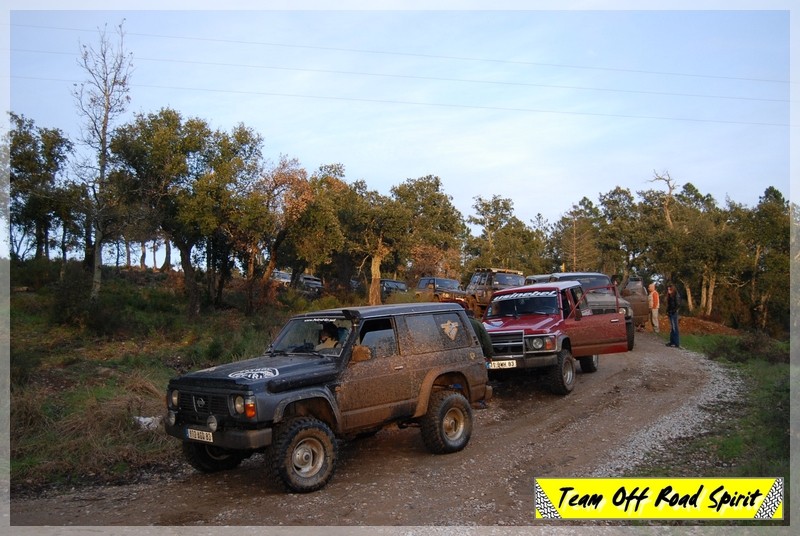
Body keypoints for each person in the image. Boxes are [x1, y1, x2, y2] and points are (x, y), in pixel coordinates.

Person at [666, 283, 680, 348]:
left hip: (674, 313)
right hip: (671, 313)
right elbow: (669, 305)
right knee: (672, 328)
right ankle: (672, 342)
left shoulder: (676, 296)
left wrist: (673, 311)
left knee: (675, 328)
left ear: (672, 290)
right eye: (668, 289)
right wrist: (668, 311)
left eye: (670, 290)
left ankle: (676, 343)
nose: (668, 291)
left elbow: (678, 305)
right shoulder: (670, 296)